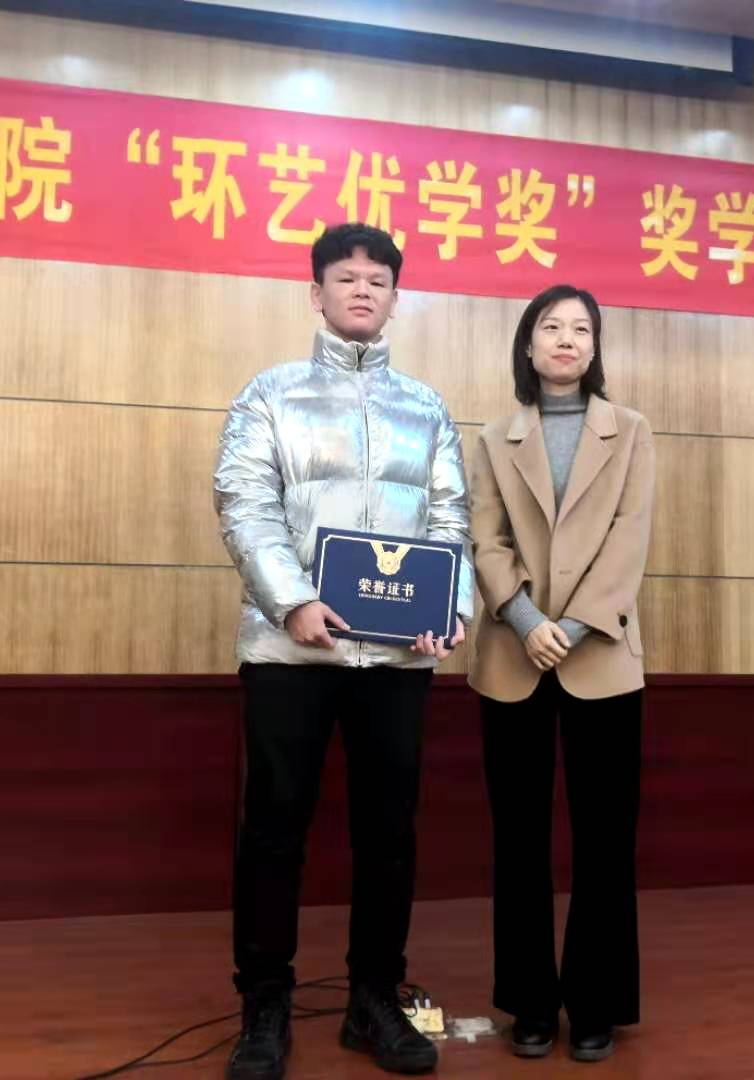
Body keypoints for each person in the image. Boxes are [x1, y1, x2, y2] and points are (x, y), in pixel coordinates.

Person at [212, 223, 473, 1080]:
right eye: (346, 277)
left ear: (397, 297)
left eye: (377, 280)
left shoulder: (426, 408)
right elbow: (244, 504)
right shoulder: (271, 395)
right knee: (273, 833)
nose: (363, 291)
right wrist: (292, 601)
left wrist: (449, 609)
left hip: (397, 661)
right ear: (316, 292)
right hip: (289, 652)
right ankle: (264, 1006)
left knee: (389, 834)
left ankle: (373, 999)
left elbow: (451, 518)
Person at [466, 283, 655, 1063]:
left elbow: (629, 540)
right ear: (529, 343)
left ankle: (597, 1003)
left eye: (581, 328)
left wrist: (570, 628)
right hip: (514, 657)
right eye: (552, 327)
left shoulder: (631, 431)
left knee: (605, 840)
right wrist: (525, 621)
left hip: (600, 657)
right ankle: (531, 1004)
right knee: (519, 840)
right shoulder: (494, 436)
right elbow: (485, 538)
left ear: (595, 346)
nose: (567, 339)